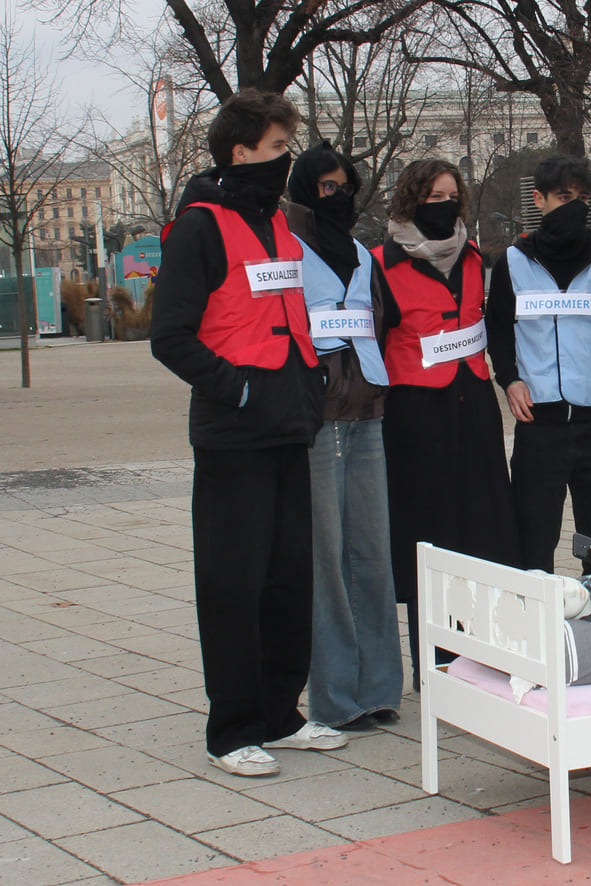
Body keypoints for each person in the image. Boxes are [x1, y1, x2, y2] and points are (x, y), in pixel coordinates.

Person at [150, 90, 347, 778]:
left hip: (291, 426)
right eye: (275, 148)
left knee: (290, 576)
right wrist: (236, 386)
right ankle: (231, 729)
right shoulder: (201, 227)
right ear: (241, 153)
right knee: (234, 582)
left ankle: (279, 713)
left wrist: (308, 388)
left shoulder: (280, 225)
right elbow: (169, 336)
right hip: (234, 434)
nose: (285, 159)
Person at [374, 158, 519, 693]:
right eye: (434, 195)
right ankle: (432, 663)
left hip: (473, 405)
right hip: (414, 412)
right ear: (412, 200)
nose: (446, 203)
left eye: (453, 194)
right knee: (428, 537)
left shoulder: (474, 256)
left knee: (481, 527)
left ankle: (483, 655)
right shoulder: (381, 264)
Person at [283, 142, 403, 728]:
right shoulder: (286, 249)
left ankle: (380, 688)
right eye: (327, 187)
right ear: (306, 190)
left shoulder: (361, 252)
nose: (339, 196)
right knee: (326, 561)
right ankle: (334, 697)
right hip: (318, 416)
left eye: (346, 186)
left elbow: (385, 320)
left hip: (368, 413)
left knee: (373, 555)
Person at [486, 154, 591, 574]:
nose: (574, 206)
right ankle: (534, 628)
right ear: (538, 200)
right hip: (539, 424)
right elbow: (499, 330)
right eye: (563, 197)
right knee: (535, 538)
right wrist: (509, 379)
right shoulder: (513, 261)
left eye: (582, 198)